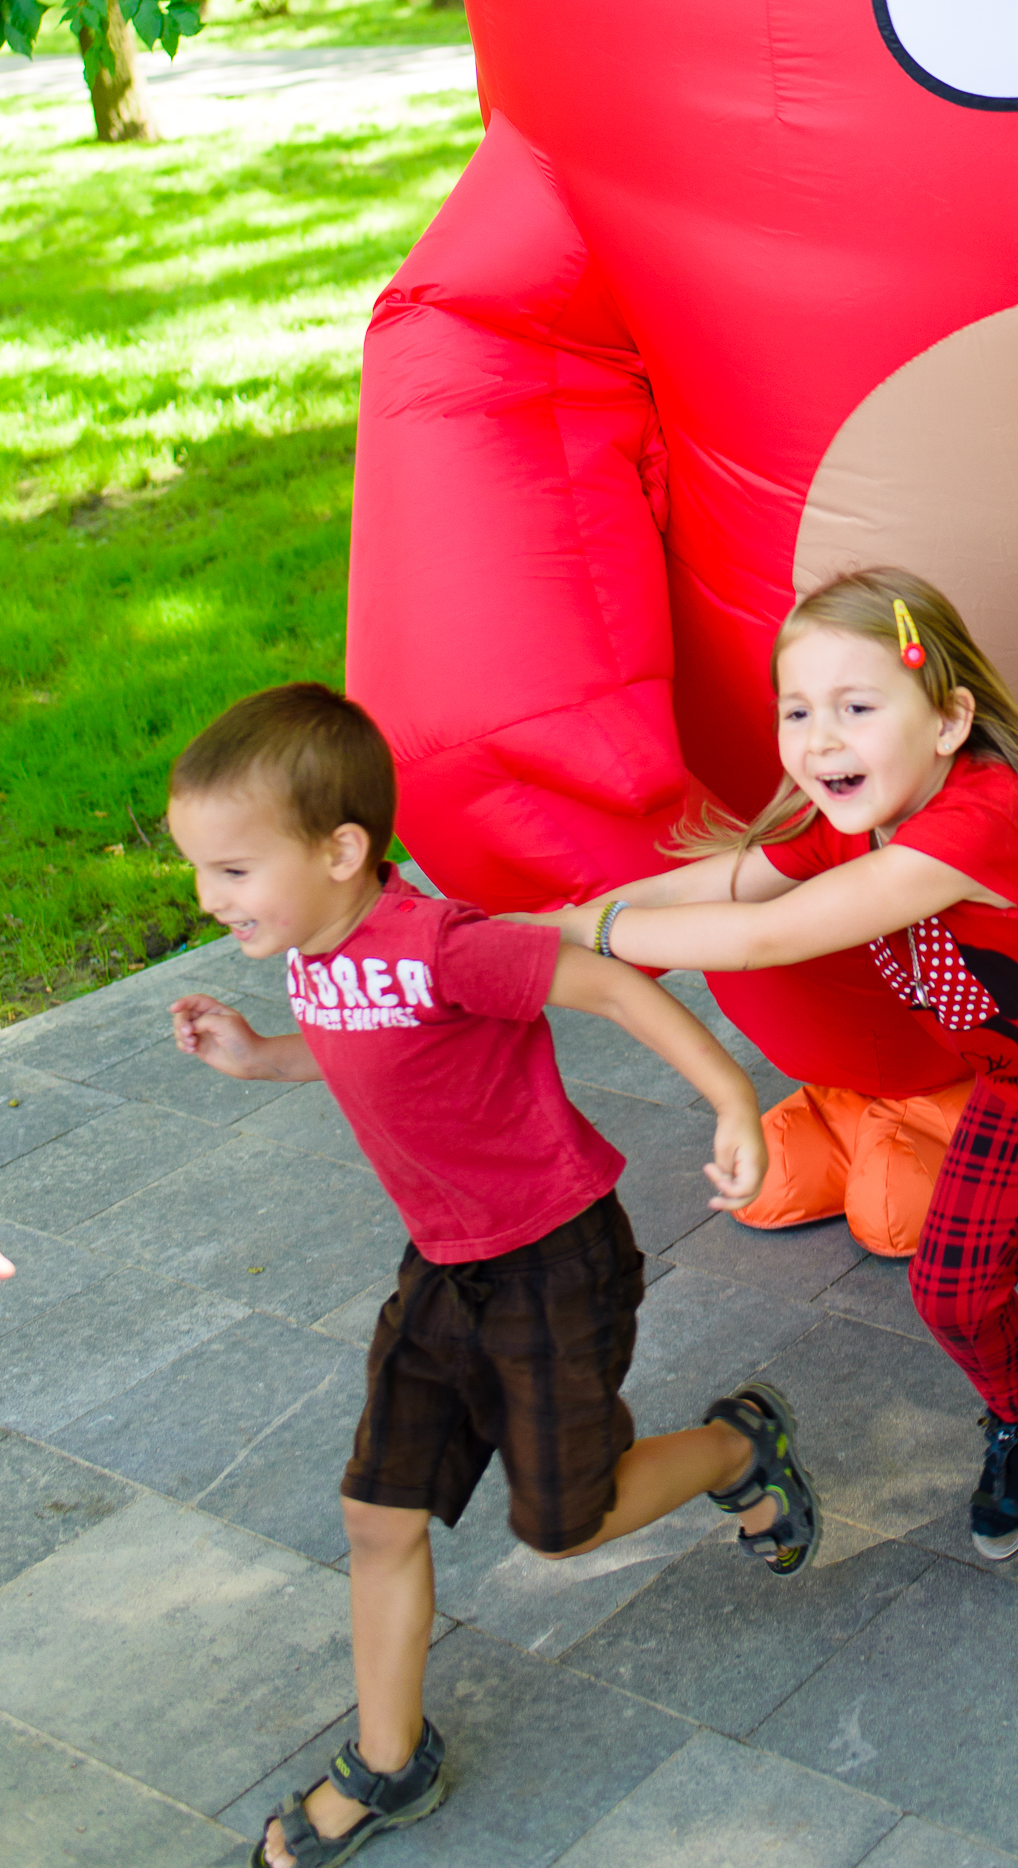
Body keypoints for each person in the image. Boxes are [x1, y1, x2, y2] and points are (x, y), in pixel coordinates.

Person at [165, 683, 818, 1868]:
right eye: (202, 871)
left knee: (566, 1525)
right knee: (377, 1518)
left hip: (553, 1265)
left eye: (233, 870)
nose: (210, 898)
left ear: (341, 851)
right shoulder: (318, 946)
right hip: (442, 1269)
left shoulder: (442, 944)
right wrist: (259, 1057)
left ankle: (737, 1447)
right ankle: (389, 1761)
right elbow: (360, 1042)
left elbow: (608, 983)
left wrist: (732, 1097)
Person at [531, 567, 1018, 1618]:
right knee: (951, 1289)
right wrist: (551, 923)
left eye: (856, 707)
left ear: (949, 721)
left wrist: (587, 935)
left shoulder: (982, 825)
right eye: (796, 711)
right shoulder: (865, 814)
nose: (820, 739)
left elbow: (767, 934)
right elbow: (728, 881)